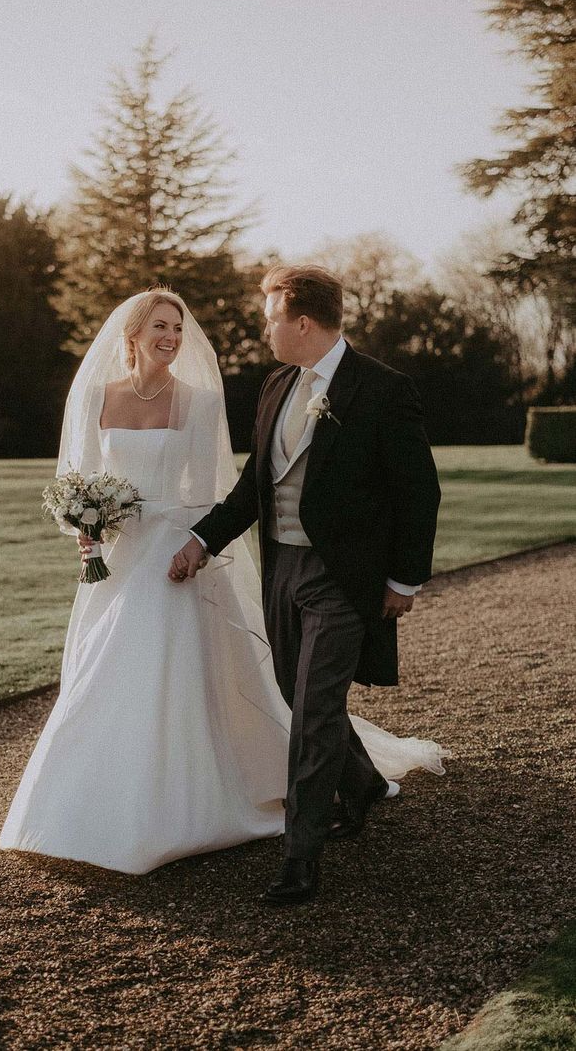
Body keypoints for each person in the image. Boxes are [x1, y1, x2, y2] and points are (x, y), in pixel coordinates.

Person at [0, 287, 448, 879]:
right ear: (131, 334)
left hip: (184, 550)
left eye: (178, 328)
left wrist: (199, 542)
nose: (172, 338)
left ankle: (265, 840)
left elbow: (223, 490)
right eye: (160, 326)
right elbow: (80, 477)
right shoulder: (101, 397)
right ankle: (92, 801)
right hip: (122, 556)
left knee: (261, 686)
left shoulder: (205, 402)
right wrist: (85, 524)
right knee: (114, 669)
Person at [170, 266, 444, 904]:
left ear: (301, 320)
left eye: (269, 317)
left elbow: (419, 491)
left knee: (314, 714)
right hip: (283, 570)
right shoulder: (276, 387)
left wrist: (404, 579)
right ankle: (367, 783)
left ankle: (301, 858)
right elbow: (253, 489)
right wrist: (202, 540)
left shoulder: (381, 390)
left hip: (343, 579)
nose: (262, 328)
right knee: (300, 699)